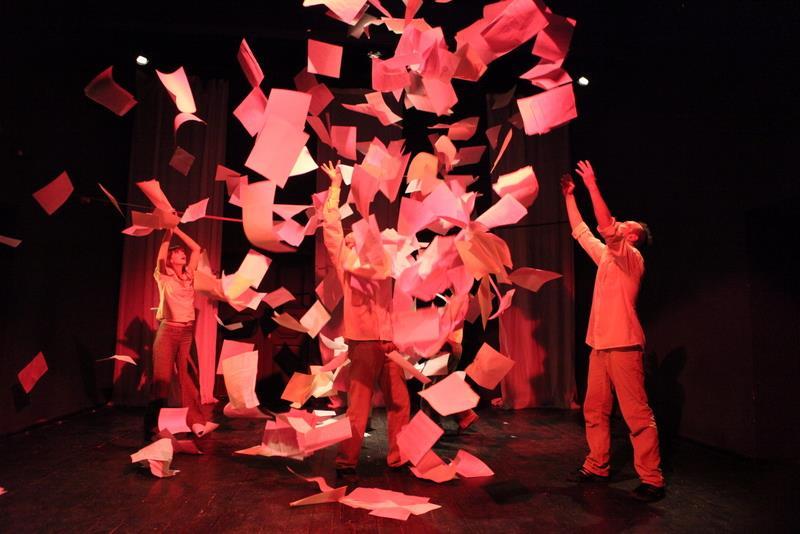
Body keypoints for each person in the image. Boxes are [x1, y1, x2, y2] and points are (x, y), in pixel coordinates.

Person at [561, 160, 665, 502]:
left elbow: (606, 226)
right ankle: (597, 465)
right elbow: (582, 232)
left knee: (636, 414)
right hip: (600, 346)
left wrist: (592, 185)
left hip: (623, 345)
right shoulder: (607, 257)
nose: (620, 223)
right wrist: (569, 196)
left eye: (625, 225)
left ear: (632, 236)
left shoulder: (632, 258)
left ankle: (652, 478)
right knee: (594, 410)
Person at [319, 161, 410, 479]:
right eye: (350, 238)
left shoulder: (382, 262)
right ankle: (347, 460)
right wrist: (335, 187)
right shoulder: (346, 263)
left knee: (400, 402)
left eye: (358, 236)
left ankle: (399, 456)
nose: (352, 239)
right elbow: (331, 228)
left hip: (389, 343)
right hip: (363, 343)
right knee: (358, 406)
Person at [143, 224, 211, 441]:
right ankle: (153, 427)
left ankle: (195, 421)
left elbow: (197, 249)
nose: (183, 254)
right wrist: (168, 230)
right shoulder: (163, 275)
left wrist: (177, 228)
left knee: (187, 378)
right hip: (169, 331)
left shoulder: (189, 274)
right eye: (178, 253)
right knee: (161, 381)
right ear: (171, 260)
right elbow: (161, 255)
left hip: (186, 332)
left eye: (182, 252)